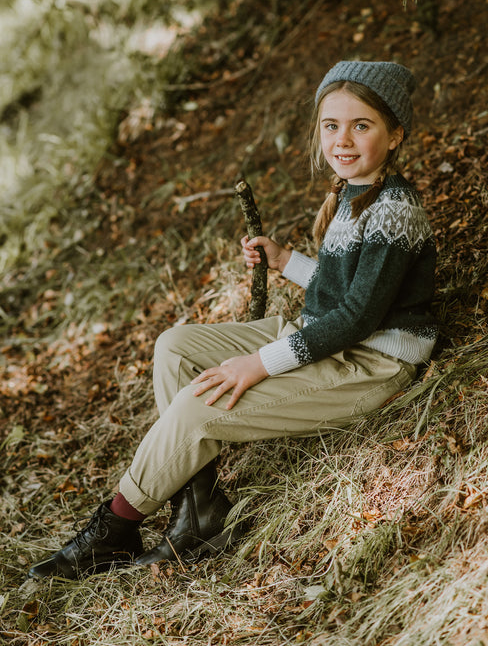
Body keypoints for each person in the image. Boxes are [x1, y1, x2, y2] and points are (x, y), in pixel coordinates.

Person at [27, 60, 438, 580]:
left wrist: (260, 363)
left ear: (395, 134)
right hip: (328, 335)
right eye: (331, 125)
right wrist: (285, 260)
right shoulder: (356, 192)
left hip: (371, 362)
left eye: (362, 126)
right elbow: (349, 289)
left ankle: (115, 528)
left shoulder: (394, 208)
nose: (343, 140)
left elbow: (359, 317)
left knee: (198, 407)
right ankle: (199, 512)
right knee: (174, 346)